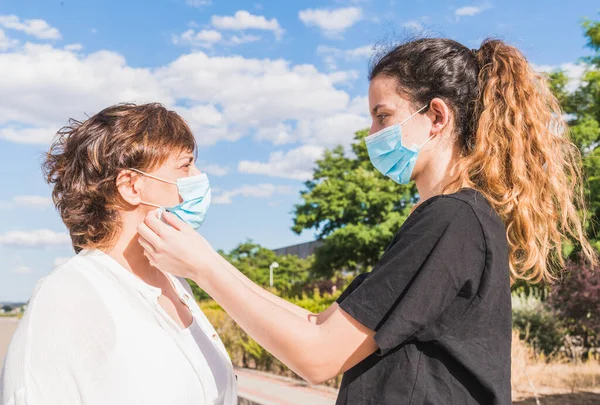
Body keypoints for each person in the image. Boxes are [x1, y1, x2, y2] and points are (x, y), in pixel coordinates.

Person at [137, 38, 597, 405]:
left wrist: (204, 268)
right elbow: (319, 323)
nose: (371, 136)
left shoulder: (452, 219)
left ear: (437, 116)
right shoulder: (447, 219)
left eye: (383, 117)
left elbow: (318, 358)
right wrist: (204, 261)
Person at [0, 103, 237, 405]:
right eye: (185, 166)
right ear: (131, 186)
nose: (199, 177)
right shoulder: (67, 296)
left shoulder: (175, 284)